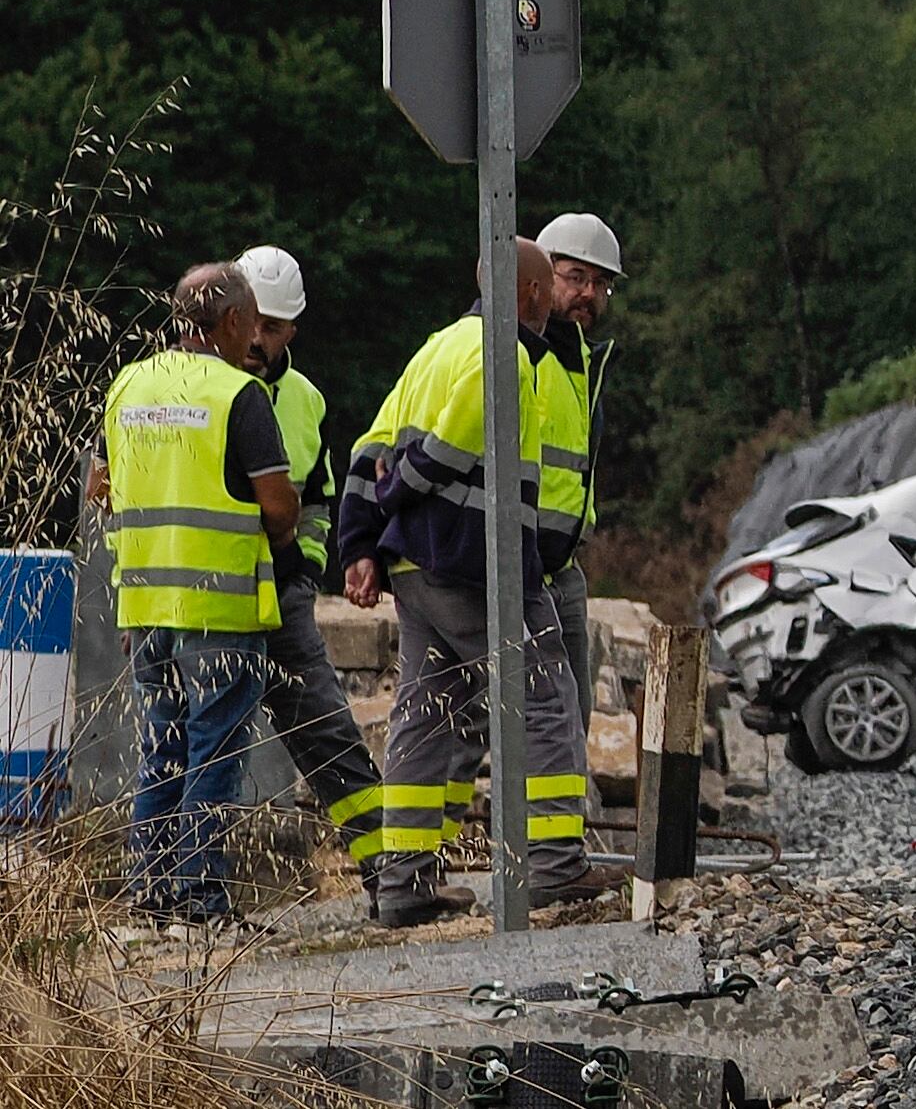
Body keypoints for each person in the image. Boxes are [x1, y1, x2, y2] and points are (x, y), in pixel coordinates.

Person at [336, 241, 617, 926]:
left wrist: (362, 540)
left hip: (416, 567)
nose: (555, 302)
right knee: (547, 694)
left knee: (424, 715)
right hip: (475, 562)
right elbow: (455, 446)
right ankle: (552, 863)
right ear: (529, 294)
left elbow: (367, 446)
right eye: (549, 287)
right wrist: (404, 489)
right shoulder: (507, 353)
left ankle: (403, 884)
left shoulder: (434, 348)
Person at [101, 262, 294, 928]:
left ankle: (149, 896)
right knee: (214, 751)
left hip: (147, 602)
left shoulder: (130, 383)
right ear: (236, 321)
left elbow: (103, 489)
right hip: (218, 605)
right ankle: (201, 901)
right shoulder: (241, 395)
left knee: (162, 746)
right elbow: (277, 506)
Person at [231, 244, 387, 896]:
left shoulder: (304, 400)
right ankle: (181, 893)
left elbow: (321, 492)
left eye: (275, 326)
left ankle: (387, 864)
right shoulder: (199, 387)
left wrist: (310, 564)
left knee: (326, 728)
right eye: (252, 322)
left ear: (293, 328)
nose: (259, 339)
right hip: (210, 594)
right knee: (196, 743)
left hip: (282, 590)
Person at [533, 211, 620, 728]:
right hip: (508, 567)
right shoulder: (520, 354)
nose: (589, 293)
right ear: (541, 277)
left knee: (570, 717)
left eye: (601, 283)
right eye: (576, 278)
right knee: (495, 719)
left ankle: (561, 812)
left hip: (561, 569)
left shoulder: (586, 365)